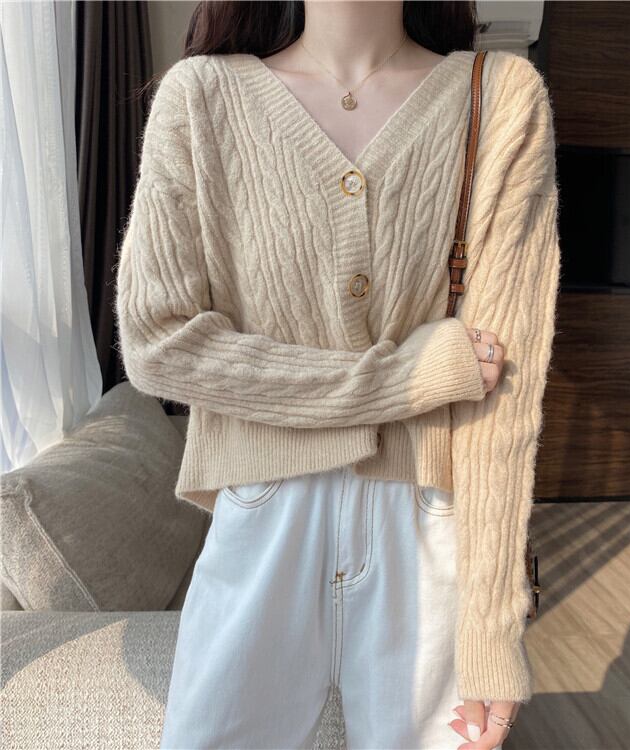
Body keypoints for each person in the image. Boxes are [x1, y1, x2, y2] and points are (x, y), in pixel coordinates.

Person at [115, 1, 561, 748]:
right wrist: (401, 380)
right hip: (265, 513)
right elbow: (156, 341)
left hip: (431, 520)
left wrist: (492, 630)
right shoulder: (200, 98)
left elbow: (506, 400)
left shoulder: (501, 97)